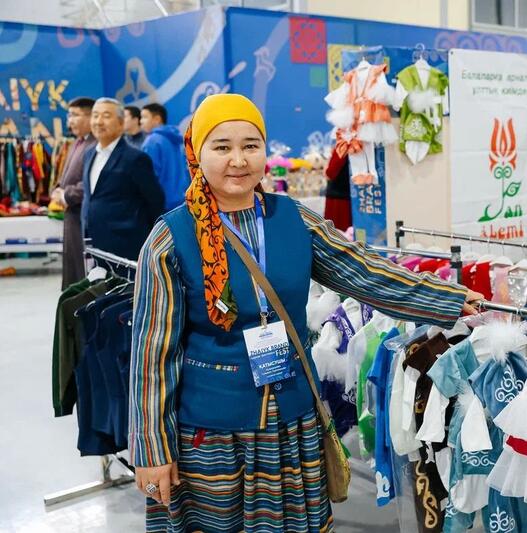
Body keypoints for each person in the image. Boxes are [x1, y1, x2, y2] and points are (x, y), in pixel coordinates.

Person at [129, 93, 483, 532]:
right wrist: (152, 450)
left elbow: (365, 272)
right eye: (222, 147)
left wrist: (445, 297)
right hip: (211, 436)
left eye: (250, 145)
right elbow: (152, 356)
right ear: (198, 153)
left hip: (290, 424)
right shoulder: (170, 238)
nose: (238, 160)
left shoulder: (295, 219)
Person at [81, 98, 164, 262]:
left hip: (126, 246)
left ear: (121, 123)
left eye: (106, 116)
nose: (99, 121)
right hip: (93, 242)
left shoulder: (135, 158)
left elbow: (155, 200)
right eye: (95, 115)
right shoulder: (89, 154)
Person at [51, 97, 96, 289]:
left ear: (90, 116)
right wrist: (57, 189)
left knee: (83, 271)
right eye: (69, 116)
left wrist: (66, 195)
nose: (70, 121)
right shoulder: (77, 142)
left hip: (83, 217)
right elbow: (66, 175)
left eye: (75, 115)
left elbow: (90, 182)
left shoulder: (95, 144)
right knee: (73, 270)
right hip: (71, 215)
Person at [141, 102, 191, 211]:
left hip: (161, 204)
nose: (141, 121)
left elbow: (148, 178)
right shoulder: (176, 139)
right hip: (181, 200)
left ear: (157, 119)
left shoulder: (152, 141)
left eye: (144, 117)